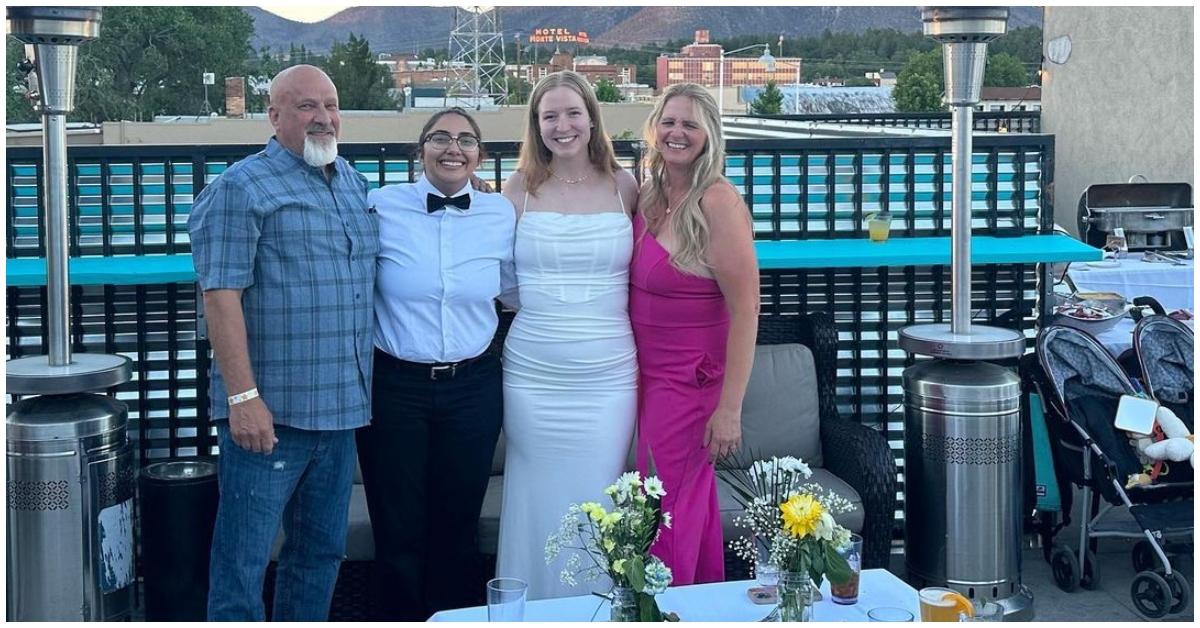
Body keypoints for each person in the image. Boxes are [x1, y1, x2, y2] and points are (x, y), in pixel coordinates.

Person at [187, 64, 378, 621]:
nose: (323, 117)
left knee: (320, 555)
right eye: (305, 106)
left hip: (341, 413)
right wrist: (243, 399)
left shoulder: (353, 182)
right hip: (270, 419)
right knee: (242, 563)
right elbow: (220, 296)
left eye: (331, 105)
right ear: (273, 116)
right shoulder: (239, 188)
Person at [358, 107, 517, 620]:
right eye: (441, 138)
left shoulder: (500, 214)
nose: (454, 148)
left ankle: (451, 618)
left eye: (466, 140)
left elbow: (514, 288)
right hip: (394, 387)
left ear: (480, 155)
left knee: (457, 519)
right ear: (419, 150)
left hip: (473, 386)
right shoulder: (379, 206)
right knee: (397, 521)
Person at [495, 70, 641, 600]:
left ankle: (602, 609)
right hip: (534, 377)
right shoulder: (519, 191)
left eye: (572, 113)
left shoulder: (627, 186)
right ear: (536, 126)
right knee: (536, 499)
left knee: (601, 499)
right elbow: (498, 278)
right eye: (549, 116)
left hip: (609, 379)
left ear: (591, 118)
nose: (562, 125)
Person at [630, 83, 760, 585]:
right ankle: (703, 602)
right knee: (680, 502)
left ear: (709, 135)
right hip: (645, 378)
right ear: (654, 129)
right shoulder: (650, 194)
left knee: (666, 508)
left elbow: (747, 311)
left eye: (689, 124)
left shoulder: (717, 201)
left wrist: (730, 410)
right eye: (669, 121)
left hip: (691, 383)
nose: (677, 132)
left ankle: (664, 608)